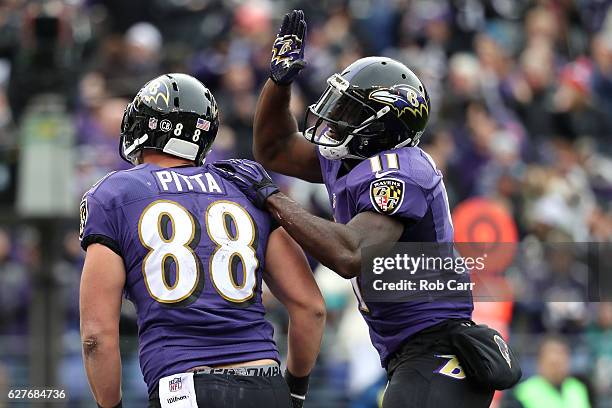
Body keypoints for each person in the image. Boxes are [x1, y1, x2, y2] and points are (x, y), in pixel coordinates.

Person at [214, 10, 497, 408]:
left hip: (438, 352)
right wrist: (279, 83)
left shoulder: (402, 171)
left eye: (350, 111)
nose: (336, 118)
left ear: (382, 125)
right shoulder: (353, 158)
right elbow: (274, 148)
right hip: (410, 354)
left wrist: (272, 198)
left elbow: (351, 254)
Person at [79, 73, 325, 408]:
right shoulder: (243, 184)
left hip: (183, 384)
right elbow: (310, 308)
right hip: (266, 384)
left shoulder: (115, 193)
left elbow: (96, 336)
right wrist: (294, 391)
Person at [511, 337, 591, 408]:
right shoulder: (524, 392)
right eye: (553, 364)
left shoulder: (577, 388)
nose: (558, 369)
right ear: (540, 363)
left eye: (562, 362)